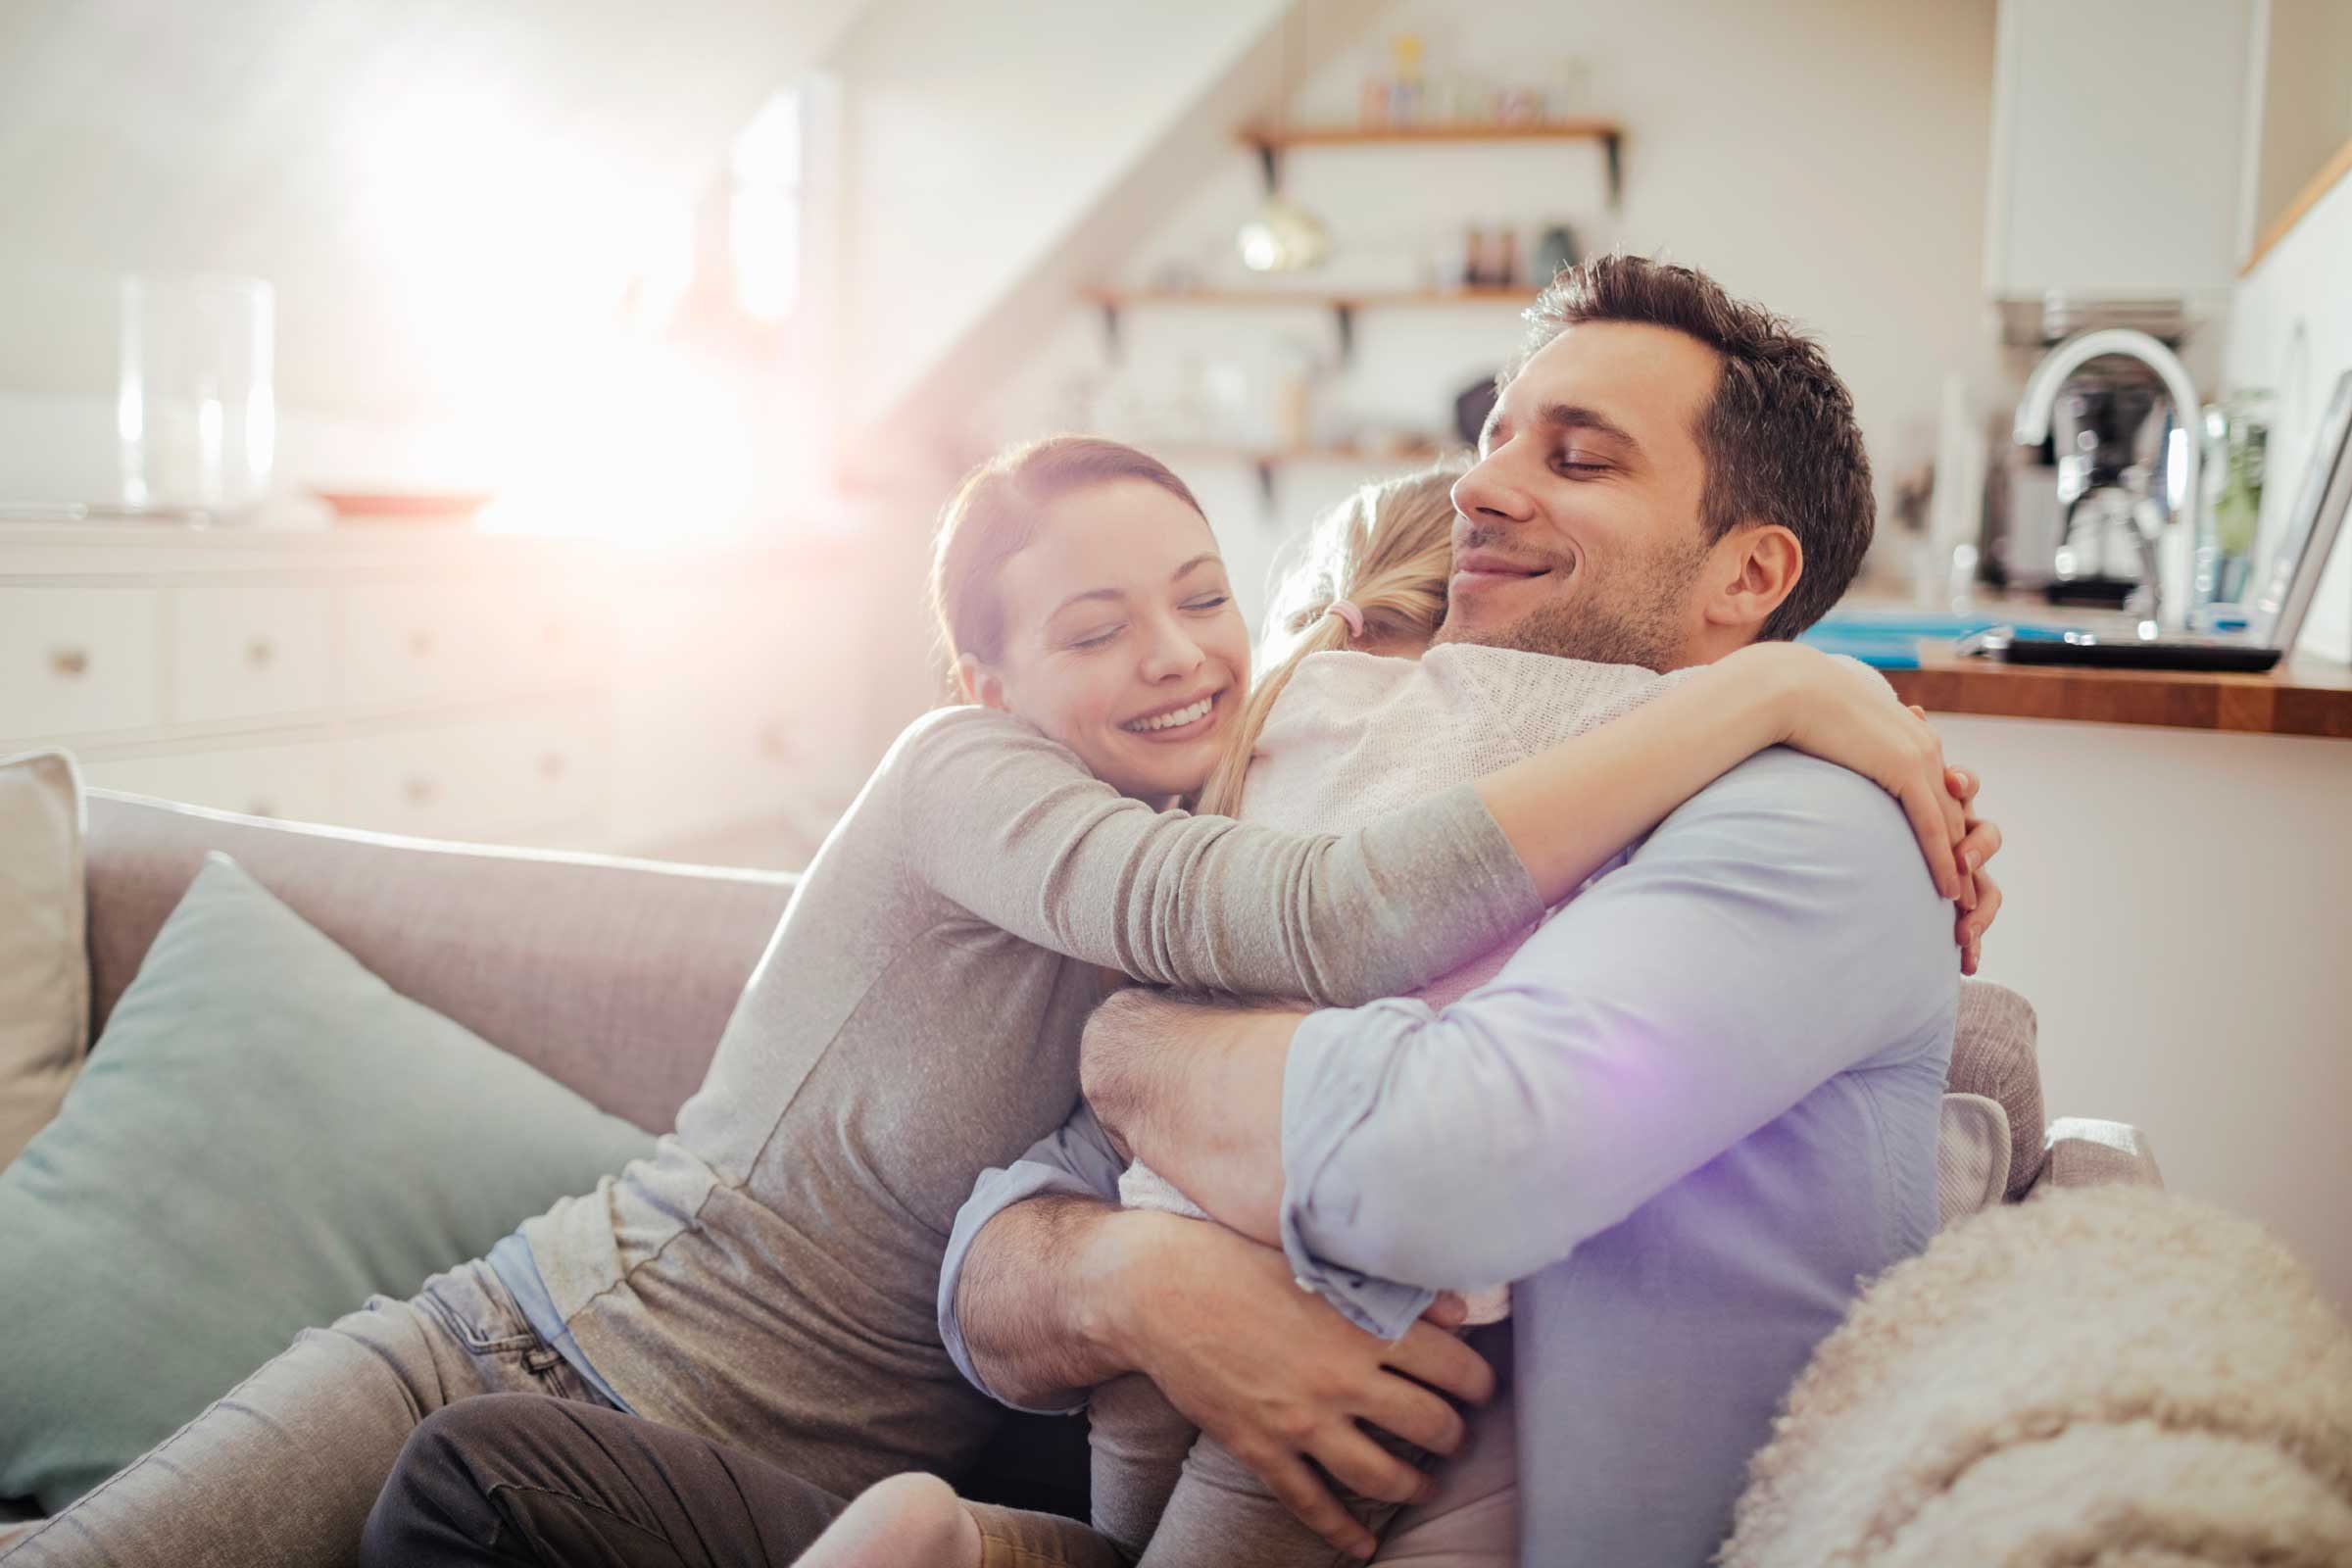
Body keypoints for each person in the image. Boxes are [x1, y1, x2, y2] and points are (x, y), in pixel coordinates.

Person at [0, 426, 1987, 1568]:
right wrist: (1795, 684)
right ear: (989, 684)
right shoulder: (984, 795)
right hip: (521, 1361)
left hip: (827, 1490)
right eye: (1095, 625)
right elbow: (1337, 913)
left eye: (1205, 593)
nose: (1177, 654)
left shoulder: (1224, 833)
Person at [933, 255, 1979, 1568]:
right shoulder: (1444, 792)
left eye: (1579, 459)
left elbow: (1447, 1164)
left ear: (1747, 575)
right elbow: (987, 1259)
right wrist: (1141, 1286)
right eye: (1494, 440)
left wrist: (1130, 1042)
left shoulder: (1817, 826)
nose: (1481, 485)